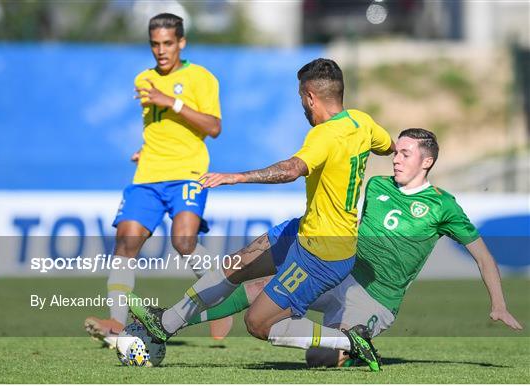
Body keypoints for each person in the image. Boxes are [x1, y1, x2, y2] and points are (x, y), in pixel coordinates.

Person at [129, 58, 395, 371]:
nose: (303, 106)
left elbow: (290, 170)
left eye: (301, 98)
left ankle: (350, 341)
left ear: (310, 96)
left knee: (258, 323)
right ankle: (167, 324)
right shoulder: (361, 123)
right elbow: (389, 145)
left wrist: (237, 177)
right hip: (306, 230)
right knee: (238, 262)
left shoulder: (324, 135)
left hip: (323, 254)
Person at [181, 128, 523, 367]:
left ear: (427, 162)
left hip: (375, 300)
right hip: (340, 277)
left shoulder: (442, 206)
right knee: (259, 288)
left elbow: (484, 256)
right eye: (396, 152)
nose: (396, 159)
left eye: (405, 153)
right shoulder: (375, 186)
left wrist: (499, 304)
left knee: (318, 358)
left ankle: (354, 344)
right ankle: (178, 321)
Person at [84, 13, 231, 346]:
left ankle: (223, 296)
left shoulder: (201, 78)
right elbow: (159, 129)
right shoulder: (143, 79)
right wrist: (145, 149)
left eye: (168, 43)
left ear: (181, 42)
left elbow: (213, 127)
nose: (161, 51)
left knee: (184, 242)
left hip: (188, 173)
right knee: (126, 240)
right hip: (149, 173)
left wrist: (173, 101)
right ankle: (116, 324)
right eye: (155, 44)